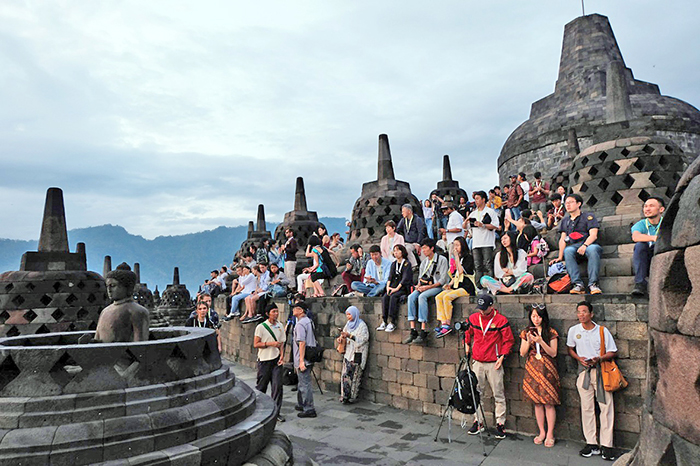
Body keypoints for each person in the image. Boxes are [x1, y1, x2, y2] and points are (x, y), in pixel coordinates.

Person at [567, 301, 618, 461]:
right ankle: (591, 443)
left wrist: (600, 358)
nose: (581, 315)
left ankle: (607, 445)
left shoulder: (602, 331)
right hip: (584, 373)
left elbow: (613, 351)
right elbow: (570, 348)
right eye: (579, 312)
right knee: (586, 407)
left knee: (606, 406)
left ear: (591, 314)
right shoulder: (574, 330)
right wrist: (579, 358)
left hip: (601, 372)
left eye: (584, 311)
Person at [464, 294, 514, 439]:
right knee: (476, 392)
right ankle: (477, 420)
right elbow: (468, 331)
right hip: (478, 361)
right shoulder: (474, 318)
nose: (481, 312)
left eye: (484, 309)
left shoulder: (501, 320)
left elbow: (508, 340)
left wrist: (503, 356)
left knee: (498, 393)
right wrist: (467, 344)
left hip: (494, 362)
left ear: (491, 307)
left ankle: (500, 423)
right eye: (480, 309)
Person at [519, 304, 560, 448]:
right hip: (532, 367)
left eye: (539, 316)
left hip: (547, 367)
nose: (536, 319)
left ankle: (550, 433)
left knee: (549, 402)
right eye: (533, 316)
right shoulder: (526, 332)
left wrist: (541, 341)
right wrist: (529, 341)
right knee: (537, 402)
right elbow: (522, 353)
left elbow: (553, 353)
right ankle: (541, 431)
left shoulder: (551, 332)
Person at [549, 194, 603, 295]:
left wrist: (585, 245)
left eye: (571, 202)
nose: (568, 205)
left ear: (579, 204)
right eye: (566, 203)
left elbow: (593, 235)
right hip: (574, 247)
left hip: (589, 245)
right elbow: (562, 239)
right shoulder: (565, 220)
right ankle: (577, 284)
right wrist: (560, 257)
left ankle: (593, 284)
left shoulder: (588, 217)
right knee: (568, 251)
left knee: (593, 249)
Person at [404, 238, 449, 345]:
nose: (423, 251)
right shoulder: (424, 262)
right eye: (422, 248)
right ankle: (413, 329)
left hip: (437, 287)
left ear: (432, 248)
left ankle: (423, 330)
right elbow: (420, 277)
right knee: (411, 297)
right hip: (424, 286)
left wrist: (426, 288)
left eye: (425, 248)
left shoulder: (442, 260)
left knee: (422, 297)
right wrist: (418, 286)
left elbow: (442, 280)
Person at [95, 262, 149, 343]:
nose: (109, 290)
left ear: (128, 287)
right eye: (107, 286)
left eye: (113, 285)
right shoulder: (104, 311)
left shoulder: (137, 312)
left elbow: (139, 345)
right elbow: (98, 339)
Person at [434, 236, 475, 338]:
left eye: (457, 245)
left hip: (467, 287)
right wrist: (449, 284)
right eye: (454, 245)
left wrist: (456, 257)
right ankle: (443, 323)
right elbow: (456, 275)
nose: (455, 247)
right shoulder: (457, 259)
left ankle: (447, 324)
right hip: (456, 286)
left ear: (463, 246)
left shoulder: (468, 258)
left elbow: (461, 271)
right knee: (438, 297)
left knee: (447, 297)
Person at [254, 303, 286, 422]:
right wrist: (269, 344)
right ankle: (258, 410)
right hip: (264, 360)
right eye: (273, 312)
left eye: (277, 311)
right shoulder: (261, 327)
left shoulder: (280, 326)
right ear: (268, 314)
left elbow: (282, 343)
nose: (276, 314)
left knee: (277, 386)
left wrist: (282, 356)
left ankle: (276, 412)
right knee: (261, 386)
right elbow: (256, 344)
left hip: (276, 359)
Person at [630, 197, 665, 296]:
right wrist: (654, 238)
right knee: (640, 245)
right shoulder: (641, 224)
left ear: (661, 209)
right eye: (645, 206)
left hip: (662, 255)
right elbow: (636, 237)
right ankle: (640, 284)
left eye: (651, 206)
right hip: (647, 257)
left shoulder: (667, 223)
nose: (647, 209)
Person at [336, 306, 369, 404]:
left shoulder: (362, 325)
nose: (348, 317)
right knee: (345, 375)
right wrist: (340, 338)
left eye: (350, 314)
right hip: (348, 353)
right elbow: (344, 334)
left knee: (355, 376)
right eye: (347, 315)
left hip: (358, 353)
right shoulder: (348, 324)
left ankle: (352, 396)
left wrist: (350, 336)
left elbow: (364, 339)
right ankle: (344, 395)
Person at [467, 191, 500, 289]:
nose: (476, 201)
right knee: (477, 266)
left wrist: (483, 225)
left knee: (488, 264)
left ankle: (490, 287)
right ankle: (479, 287)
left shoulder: (490, 211)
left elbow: (496, 226)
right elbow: (466, 227)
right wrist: (465, 223)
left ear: (483, 199)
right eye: (475, 199)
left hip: (487, 242)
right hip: (476, 243)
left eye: (477, 198)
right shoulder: (473, 213)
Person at [378, 244, 412, 332]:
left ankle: (392, 321)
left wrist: (397, 288)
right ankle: (384, 320)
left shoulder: (406, 264)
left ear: (402, 252)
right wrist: (388, 287)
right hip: (393, 286)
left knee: (393, 297)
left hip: (402, 288)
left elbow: (405, 278)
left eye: (398, 250)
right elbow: (390, 276)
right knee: (385, 297)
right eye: (394, 251)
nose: (395, 252)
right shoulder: (394, 264)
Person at [293, 302, 317, 418]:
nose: (293, 310)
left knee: (304, 384)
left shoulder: (300, 324)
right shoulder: (309, 321)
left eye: (296, 308)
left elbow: (301, 342)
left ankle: (309, 408)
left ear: (301, 310)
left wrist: (301, 361)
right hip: (310, 355)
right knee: (301, 382)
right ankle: (301, 402)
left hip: (303, 357)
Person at [395, 203, 427, 268]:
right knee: (404, 249)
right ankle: (413, 265)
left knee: (418, 252)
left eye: (403, 211)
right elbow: (398, 229)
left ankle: (420, 266)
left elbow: (421, 232)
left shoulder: (417, 219)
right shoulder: (403, 220)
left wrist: (418, 243)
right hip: (407, 242)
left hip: (416, 242)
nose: (402, 213)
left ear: (409, 211)